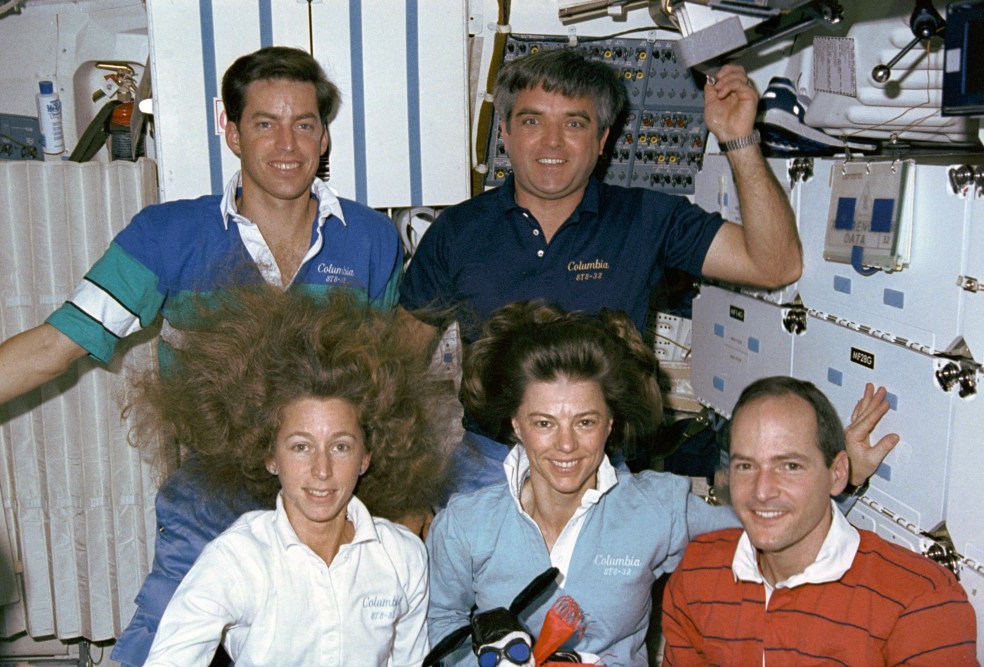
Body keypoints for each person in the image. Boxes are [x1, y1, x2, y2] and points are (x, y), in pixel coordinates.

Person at [0, 46, 404, 665]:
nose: (287, 144)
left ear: (324, 137)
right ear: (230, 132)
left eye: (304, 124)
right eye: (264, 123)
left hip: (328, 484)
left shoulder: (373, 241)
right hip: (215, 488)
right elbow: (54, 344)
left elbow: (390, 390)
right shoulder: (167, 235)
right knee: (158, 646)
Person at [398, 48, 801, 492]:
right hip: (489, 470)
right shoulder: (457, 229)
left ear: (602, 139)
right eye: (532, 121)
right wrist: (406, 493)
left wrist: (738, 139)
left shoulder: (648, 217)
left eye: (574, 123)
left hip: (604, 470)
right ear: (506, 134)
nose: (552, 142)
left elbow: (775, 264)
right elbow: (396, 367)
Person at [138, 287, 453, 666]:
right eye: (301, 447)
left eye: (341, 447)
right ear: (270, 457)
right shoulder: (238, 559)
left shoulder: (403, 557)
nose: (322, 471)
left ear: (367, 456)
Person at [426, 300, 739, 665]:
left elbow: (761, 535)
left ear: (609, 424)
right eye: (544, 423)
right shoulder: (466, 524)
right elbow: (443, 618)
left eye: (585, 422)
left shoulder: (657, 508)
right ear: (517, 425)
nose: (566, 444)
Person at [661, 376, 978, 666]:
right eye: (746, 466)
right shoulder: (697, 571)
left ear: (838, 474)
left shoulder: (918, 599)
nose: (762, 491)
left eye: (790, 466)